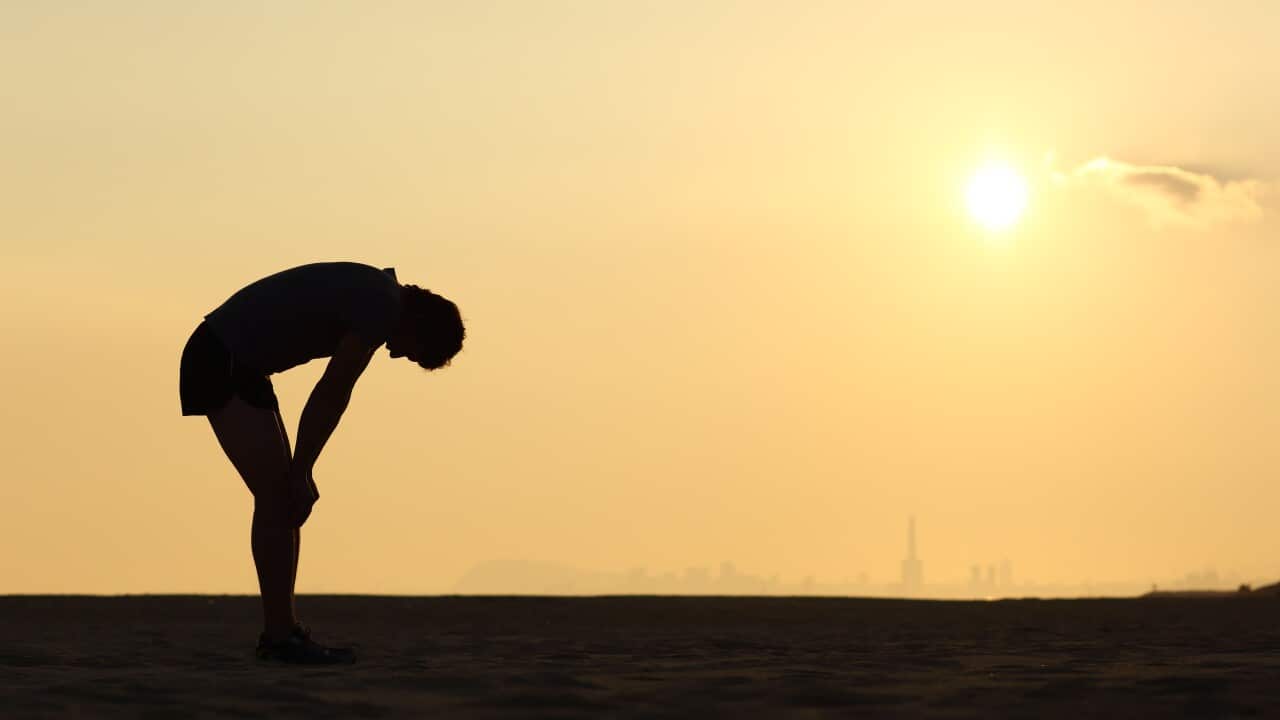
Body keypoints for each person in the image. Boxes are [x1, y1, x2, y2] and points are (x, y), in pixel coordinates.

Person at [178, 261, 464, 664]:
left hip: (242, 365)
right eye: (413, 353)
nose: (398, 355)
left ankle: (284, 630)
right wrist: (302, 469)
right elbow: (331, 392)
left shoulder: (380, 300)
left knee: (284, 500)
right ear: (419, 323)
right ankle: (278, 637)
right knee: (278, 496)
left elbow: (335, 397)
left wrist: (302, 469)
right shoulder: (380, 306)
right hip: (218, 358)